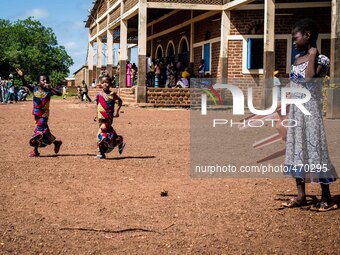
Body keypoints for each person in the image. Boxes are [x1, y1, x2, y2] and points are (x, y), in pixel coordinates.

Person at [281, 19, 338, 211]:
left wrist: (313, 54)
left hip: (311, 113)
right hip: (297, 112)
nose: (294, 42)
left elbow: (310, 79)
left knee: (316, 151)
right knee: (297, 150)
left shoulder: (322, 60)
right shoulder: (296, 60)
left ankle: (327, 197)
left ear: (307, 35)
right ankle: (301, 195)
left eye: (295, 38)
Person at [16, 68, 62, 157]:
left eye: (46, 80)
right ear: (38, 81)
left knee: (38, 133)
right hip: (36, 115)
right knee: (45, 132)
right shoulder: (34, 89)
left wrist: (51, 87)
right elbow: (25, 84)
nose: (45, 81)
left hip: (44, 115)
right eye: (42, 80)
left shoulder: (49, 91)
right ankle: (56, 143)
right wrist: (22, 77)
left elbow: (60, 94)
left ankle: (35, 151)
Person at [95, 75, 125, 159]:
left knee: (101, 135)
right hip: (100, 118)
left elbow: (120, 101)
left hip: (108, 117)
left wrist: (117, 111)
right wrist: (96, 115)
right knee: (107, 132)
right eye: (103, 82)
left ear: (110, 84)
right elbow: (98, 105)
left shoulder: (112, 94)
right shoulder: (98, 95)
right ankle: (118, 140)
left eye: (107, 82)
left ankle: (104, 150)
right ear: (100, 84)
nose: (105, 84)